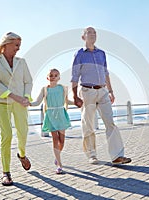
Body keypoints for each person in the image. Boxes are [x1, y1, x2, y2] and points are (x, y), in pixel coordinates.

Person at [71, 26, 132, 165]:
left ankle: (117, 156)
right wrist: (75, 96)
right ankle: (91, 155)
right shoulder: (79, 54)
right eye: (89, 33)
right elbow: (74, 77)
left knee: (110, 122)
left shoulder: (102, 54)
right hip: (87, 91)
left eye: (94, 33)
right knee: (88, 124)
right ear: (83, 37)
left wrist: (110, 91)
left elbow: (106, 73)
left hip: (103, 91)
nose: (92, 34)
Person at [0, 32, 33, 186]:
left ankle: (22, 155)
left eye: (19, 46)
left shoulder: (22, 62)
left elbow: (28, 81)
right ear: (7, 43)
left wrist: (26, 96)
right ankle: (6, 172)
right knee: (6, 135)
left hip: (20, 102)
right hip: (2, 102)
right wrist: (15, 97)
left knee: (23, 132)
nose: (18, 49)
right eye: (16, 45)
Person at [31, 68, 73, 174]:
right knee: (55, 139)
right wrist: (28, 103)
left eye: (56, 75)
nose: (53, 77)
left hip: (61, 114)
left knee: (62, 141)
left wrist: (78, 102)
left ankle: (57, 156)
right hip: (50, 115)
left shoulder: (63, 88)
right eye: (51, 75)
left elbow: (66, 101)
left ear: (59, 77)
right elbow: (37, 101)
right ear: (47, 77)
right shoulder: (45, 89)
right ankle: (59, 164)